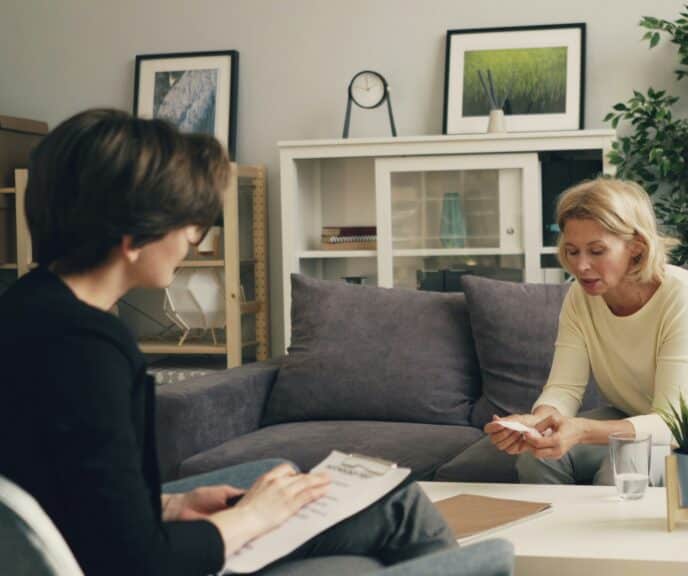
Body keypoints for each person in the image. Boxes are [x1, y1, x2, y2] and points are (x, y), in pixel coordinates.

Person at [0, 109, 511, 575]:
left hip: (77, 546)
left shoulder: (25, 310)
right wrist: (248, 521)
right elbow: (138, 560)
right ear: (133, 237)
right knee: (474, 558)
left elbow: (56, 488)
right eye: (189, 226)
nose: (192, 242)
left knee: (306, 487)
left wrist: (171, 506)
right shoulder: (90, 352)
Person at [484, 178, 688, 486]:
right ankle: (554, 535)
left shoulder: (680, 295)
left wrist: (583, 430)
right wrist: (537, 424)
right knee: (538, 458)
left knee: (623, 471)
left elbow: (672, 421)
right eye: (572, 251)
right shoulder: (579, 297)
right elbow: (564, 388)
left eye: (597, 251)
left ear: (636, 247)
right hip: (634, 417)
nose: (582, 266)